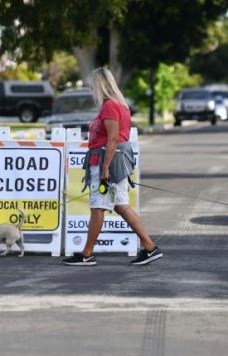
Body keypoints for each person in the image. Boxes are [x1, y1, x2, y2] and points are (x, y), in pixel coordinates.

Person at [62, 68, 162, 266]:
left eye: (92, 84)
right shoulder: (120, 105)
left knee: (98, 206)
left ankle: (87, 254)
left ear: (100, 84)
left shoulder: (109, 106)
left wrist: (105, 168)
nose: (91, 88)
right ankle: (150, 247)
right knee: (121, 206)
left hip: (107, 161)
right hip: (115, 160)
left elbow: (113, 138)